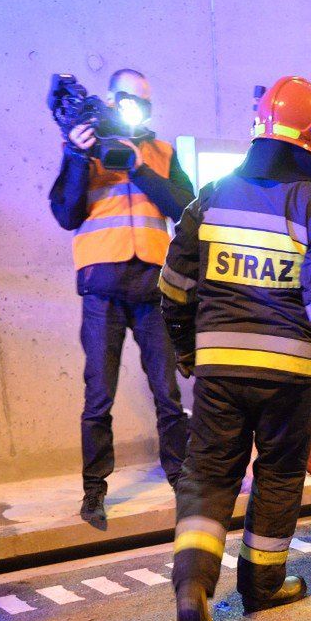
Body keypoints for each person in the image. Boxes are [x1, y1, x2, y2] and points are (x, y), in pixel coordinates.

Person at [161, 76, 311, 621]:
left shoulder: (212, 197)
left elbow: (174, 285)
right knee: (277, 478)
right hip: (286, 376)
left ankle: (192, 585)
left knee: (208, 475)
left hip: (219, 371)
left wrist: (187, 347)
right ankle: (261, 584)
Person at [49, 69, 194, 529]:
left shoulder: (162, 151)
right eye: (129, 98)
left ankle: (181, 481)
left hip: (153, 287)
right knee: (98, 397)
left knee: (168, 394)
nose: (137, 107)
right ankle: (94, 492)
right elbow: (66, 213)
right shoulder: (84, 147)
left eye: (144, 100)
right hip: (102, 288)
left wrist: (138, 166)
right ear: (110, 100)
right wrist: (77, 156)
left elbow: (183, 206)